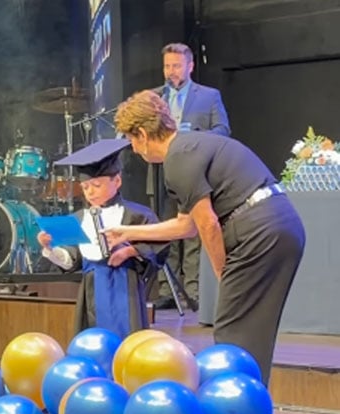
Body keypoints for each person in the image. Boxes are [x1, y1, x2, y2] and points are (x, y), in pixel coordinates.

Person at [110, 90, 305, 385]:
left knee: (232, 330)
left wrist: (222, 274)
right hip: (283, 224)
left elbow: (208, 225)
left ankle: (236, 408)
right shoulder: (194, 144)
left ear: (142, 134)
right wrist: (128, 232)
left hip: (257, 230)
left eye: (131, 142)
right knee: (253, 328)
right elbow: (185, 226)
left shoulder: (177, 159)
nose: (135, 151)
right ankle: (250, 398)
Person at [36, 139, 168, 339]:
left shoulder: (137, 215)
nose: (90, 192)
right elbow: (72, 259)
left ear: (117, 181)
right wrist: (49, 247)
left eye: (96, 185)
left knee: (128, 341)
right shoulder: (79, 219)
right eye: (85, 187)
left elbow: (160, 245)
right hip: (92, 290)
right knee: (94, 339)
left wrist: (130, 251)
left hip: (125, 286)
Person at [148, 42, 231, 312]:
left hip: (195, 173)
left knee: (194, 231)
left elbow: (223, 130)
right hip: (163, 172)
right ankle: (167, 290)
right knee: (165, 229)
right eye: (167, 66)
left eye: (176, 65)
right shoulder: (154, 97)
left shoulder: (209, 96)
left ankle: (194, 290)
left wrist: (192, 136)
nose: (171, 71)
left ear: (190, 66)